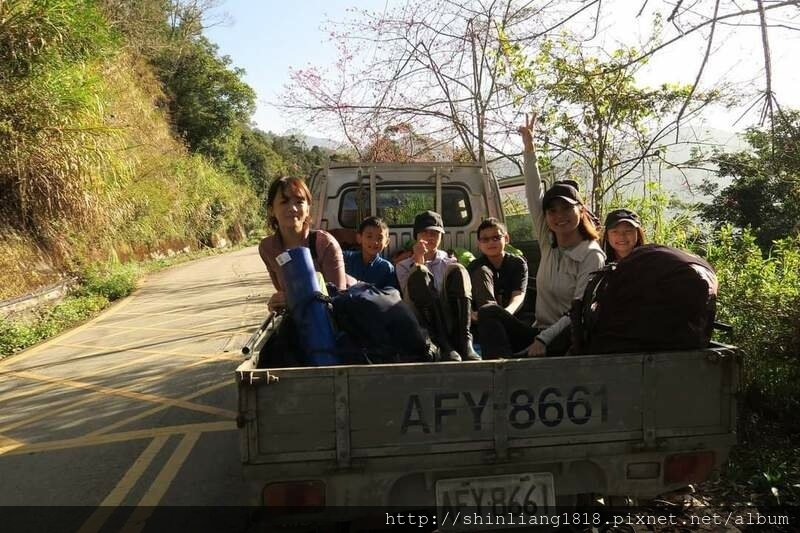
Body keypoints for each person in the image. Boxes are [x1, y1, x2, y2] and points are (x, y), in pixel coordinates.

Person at [477, 112, 605, 358]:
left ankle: (511, 370)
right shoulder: (549, 243)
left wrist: (544, 341)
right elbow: (533, 193)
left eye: (567, 208)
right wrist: (529, 148)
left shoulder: (591, 255)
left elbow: (578, 311)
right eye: (553, 211)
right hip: (540, 333)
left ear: (581, 209)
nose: (560, 216)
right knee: (489, 313)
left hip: (569, 337)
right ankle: (500, 371)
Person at [396, 210, 481, 362]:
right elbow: (410, 294)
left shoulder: (449, 261)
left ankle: (464, 341)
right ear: (416, 236)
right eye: (425, 233)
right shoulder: (402, 265)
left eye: (435, 233)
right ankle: (442, 343)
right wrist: (419, 259)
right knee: (419, 272)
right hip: (421, 318)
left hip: (446, 314)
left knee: (459, 270)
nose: (430, 237)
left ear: (441, 237)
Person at [259, 176, 347, 312]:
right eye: (284, 202)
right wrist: (278, 303)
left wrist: (293, 299)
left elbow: (339, 299)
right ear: (271, 210)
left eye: (299, 202)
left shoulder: (324, 243)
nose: (293, 208)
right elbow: (283, 290)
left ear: (308, 209)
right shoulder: (267, 248)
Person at [467, 218, 529, 357]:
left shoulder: (517, 263)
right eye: (485, 239)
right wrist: (471, 313)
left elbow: (518, 296)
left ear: (506, 238)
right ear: (479, 244)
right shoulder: (475, 267)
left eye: (496, 238)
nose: (491, 243)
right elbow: (466, 299)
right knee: (482, 272)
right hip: (484, 323)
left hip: (514, 320)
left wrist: (503, 315)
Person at [343, 216, 399, 289]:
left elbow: (390, 294)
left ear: (387, 242)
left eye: (379, 238)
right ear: (359, 238)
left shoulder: (387, 268)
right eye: (369, 236)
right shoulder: (346, 258)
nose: (374, 242)